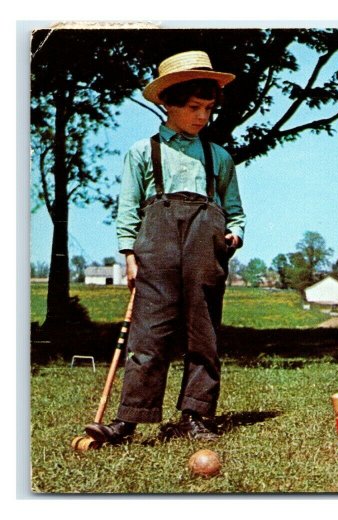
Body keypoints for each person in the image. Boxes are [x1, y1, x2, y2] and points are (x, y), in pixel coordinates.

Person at [85, 50, 245, 445]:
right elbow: (127, 207)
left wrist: (235, 233)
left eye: (208, 109)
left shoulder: (218, 156)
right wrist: (128, 254)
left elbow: (235, 209)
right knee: (149, 334)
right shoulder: (144, 152)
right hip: (155, 246)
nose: (201, 117)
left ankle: (197, 412)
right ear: (167, 103)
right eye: (193, 107)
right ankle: (129, 419)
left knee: (202, 331)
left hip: (205, 247)